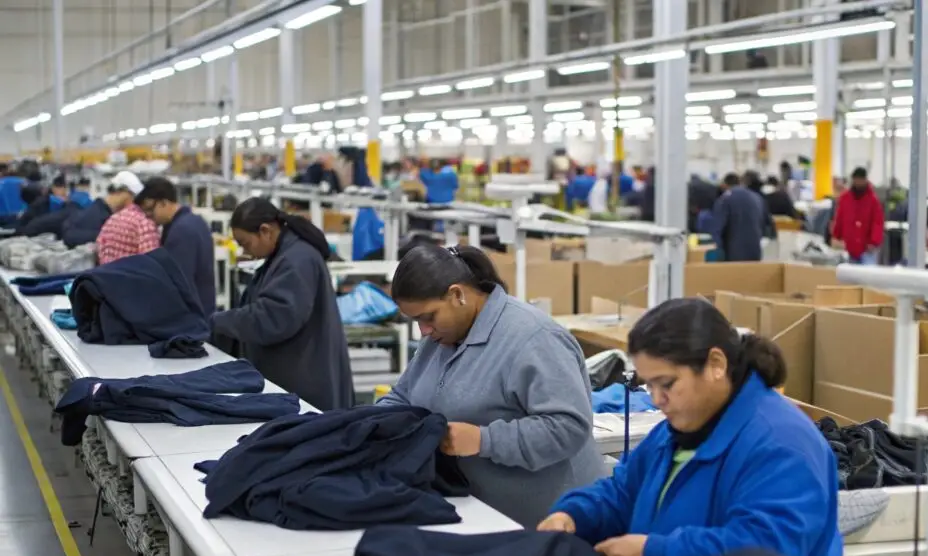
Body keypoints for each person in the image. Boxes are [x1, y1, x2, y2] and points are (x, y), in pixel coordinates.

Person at [538, 298, 848, 556]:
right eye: (649, 385)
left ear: (716, 363)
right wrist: (574, 515)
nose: (657, 400)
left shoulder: (782, 444)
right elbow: (625, 492)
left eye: (667, 384)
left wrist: (655, 555)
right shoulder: (677, 430)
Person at [376, 244, 606, 526]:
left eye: (428, 317)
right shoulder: (439, 340)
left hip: (551, 521)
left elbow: (568, 427)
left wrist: (482, 440)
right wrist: (371, 426)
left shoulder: (533, 338)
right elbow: (403, 396)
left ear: (457, 295)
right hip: (481, 513)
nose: (422, 330)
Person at [209, 198, 354, 411]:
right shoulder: (284, 255)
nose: (245, 252)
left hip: (306, 387)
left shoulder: (297, 260)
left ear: (265, 231)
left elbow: (273, 318)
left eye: (245, 244)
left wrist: (219, 322)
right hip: (298, 379)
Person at [134, 177, 216, 316]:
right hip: (204, 310)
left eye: (149, 210)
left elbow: (181, 284)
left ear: (164, 203)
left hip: (192, 319)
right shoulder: (195, 221)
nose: (148, 217)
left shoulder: (181, 232)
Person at [63, 171, 143, 247]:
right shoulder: (95, 215)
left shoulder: (103, 212)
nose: (133, 204)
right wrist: (106, 235)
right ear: (121, 192)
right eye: (133, 198)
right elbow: (70, 236)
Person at [708, 173, 771, 261]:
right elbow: (766, 226)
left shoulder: (725, 199)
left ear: (724, 185)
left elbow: (716, 230)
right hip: (755, 254)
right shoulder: (757, 198)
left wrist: (716, 255)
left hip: (733, 256)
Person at [831, 167, 884, 265]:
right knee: (850, 278)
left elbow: (877, 223)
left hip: (867, 249)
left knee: (868, 277)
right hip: (849, 248)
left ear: (865, 180)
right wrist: (836, 236)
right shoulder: (845, 199)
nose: (858, 182)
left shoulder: (873, 201)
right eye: (856, 180)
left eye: (860, 180)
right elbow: (839, 218)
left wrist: (874, 242)